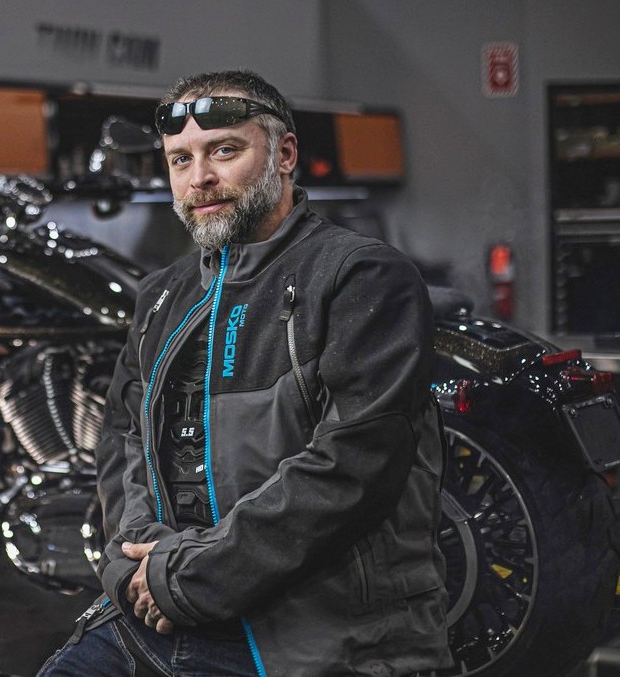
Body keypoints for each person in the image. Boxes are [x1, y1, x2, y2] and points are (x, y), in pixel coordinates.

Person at [38, 69, 452, 677]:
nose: (199, 178)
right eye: (180, 160)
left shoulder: (360, 277)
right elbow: (123, 446)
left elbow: (351, 469)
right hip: (156, 615)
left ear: (284, 155)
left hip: (312, 635)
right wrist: (133, 571)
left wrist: (189, 579)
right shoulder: (162, 296)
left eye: (224, 151)